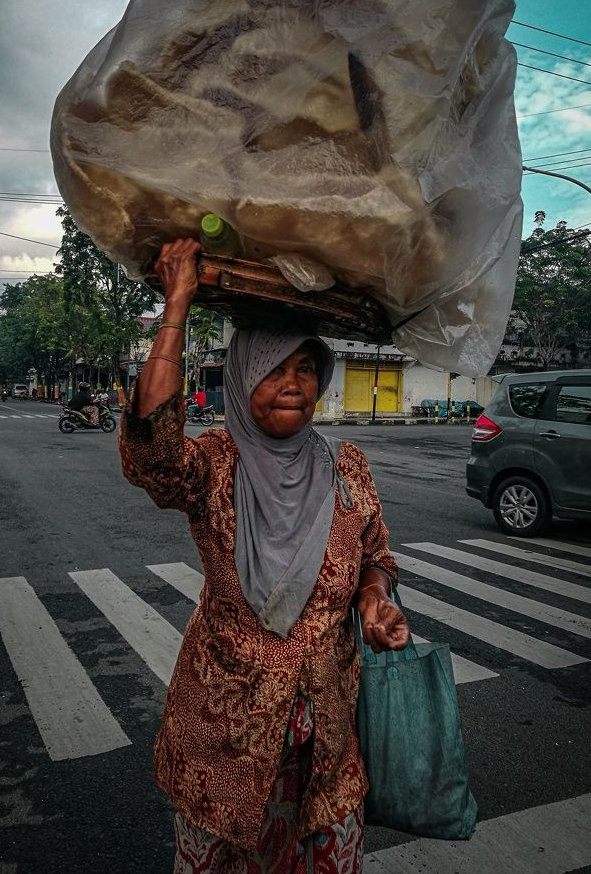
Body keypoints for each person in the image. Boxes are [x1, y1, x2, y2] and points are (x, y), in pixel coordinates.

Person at [119, 239, 410, 873]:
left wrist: (375, 597)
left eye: (305, 369)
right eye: (275, 369)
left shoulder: (346, 467)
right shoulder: (215, 465)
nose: (292, 386)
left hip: (328, 749)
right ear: (245, 374)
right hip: (224, 746)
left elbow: (376, 555)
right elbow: (151, 454)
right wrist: (179, 301)